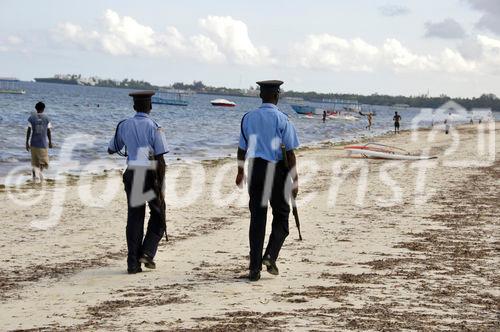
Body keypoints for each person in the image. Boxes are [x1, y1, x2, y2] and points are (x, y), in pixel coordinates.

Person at [235, 80, 300, 282]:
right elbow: (289, 153)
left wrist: (239, 171)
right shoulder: (283, 120)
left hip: (256, 170)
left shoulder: (248, 118)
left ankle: (254, 269)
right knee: (282, 215)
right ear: (277, 95)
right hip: (277, 171)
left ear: (260, 95)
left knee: (257, 220)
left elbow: (241, 149)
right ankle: (270, 256)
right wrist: (294, 180)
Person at [108, 91, 169, 274]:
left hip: (132, 172)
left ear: (134, 107)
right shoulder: (155, 127)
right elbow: (160, 157)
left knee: (135, 217)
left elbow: (112, 149)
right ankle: (147, 252)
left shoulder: (124, 125)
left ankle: (132, 263)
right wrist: (161, 183)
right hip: (150, 173)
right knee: (159, 215)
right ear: (150, 107)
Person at [26, 102, 53, 182]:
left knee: (34, 162)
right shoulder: (47, 118)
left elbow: (29, 130)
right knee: (43, 161)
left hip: (33, 143)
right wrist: (50, 142)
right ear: (43, 109)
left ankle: (34, 176)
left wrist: (27, 142)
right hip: (43, 143)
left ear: (36, 108)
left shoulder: (31, 118)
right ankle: (40, 173)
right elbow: (48, 131)